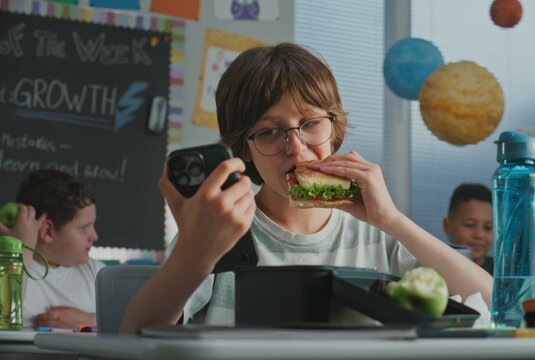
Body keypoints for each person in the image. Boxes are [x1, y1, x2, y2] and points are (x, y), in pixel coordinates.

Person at [121, 43, 492, 333]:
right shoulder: (219, 231)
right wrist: (195, 252)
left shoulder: (378, 234)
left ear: (334, 127)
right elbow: (136, 336)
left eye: (311, 123)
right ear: (244, 148)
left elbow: (496, 303)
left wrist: (392, 219)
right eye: (269, 132)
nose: (296, 147)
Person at [0, 169, 104, 329]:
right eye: (84, 227)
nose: (94, 236)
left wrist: (89, 320)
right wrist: (22, 248)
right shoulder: (7, 269)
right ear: (47, 231)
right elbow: (4, 320)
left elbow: (134, 324)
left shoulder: (97, 274)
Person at [442, 183, 494, 274]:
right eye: (469, 225)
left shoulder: (503, 273)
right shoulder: (434, 267)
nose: (479, 235)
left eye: (488, 227)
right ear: (447, 226)